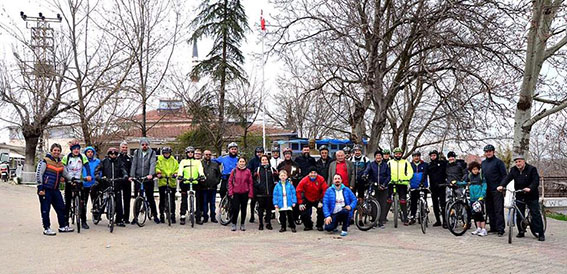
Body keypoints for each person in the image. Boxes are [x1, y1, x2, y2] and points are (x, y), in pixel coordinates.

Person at [497, 155, 545, 241]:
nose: (518, 163)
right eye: (516, 162)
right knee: (519, 213)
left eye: (519, 161)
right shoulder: (513, 170)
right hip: (519, 193)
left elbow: (535, 181)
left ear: (524, 161)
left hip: (531, 194)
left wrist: (530, 188)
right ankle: (521, 231)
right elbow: (507, 178)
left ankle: (540, 233)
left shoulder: (531, 169)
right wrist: (501, 185)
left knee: (535, 213)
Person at [36, 143, 74, 235]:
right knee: (45, 209)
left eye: (58, 151)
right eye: (55, 150)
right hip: (45, 189)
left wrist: (72, 179)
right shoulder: (45, 161)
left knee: (61, 208)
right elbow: (39, 174)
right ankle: (47, 228)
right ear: (51, 151)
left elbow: (65, 173)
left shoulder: (60, 163)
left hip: (55, 189)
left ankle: (63, 226)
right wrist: (40, 187)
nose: (56, 152)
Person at [130, 137, 159, 224]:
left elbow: (153, 163)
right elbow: (134, 164)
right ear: (140, 145)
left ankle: (155, 215)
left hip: (148, 178)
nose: (144, 146)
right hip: (138, 178)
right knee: (137, 198)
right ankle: (135, 217)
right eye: (143, 145)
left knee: (150, 197)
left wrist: (151, 174)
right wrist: (132, 176)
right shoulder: (136, 152)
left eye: (146, 145)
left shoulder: (152, 153)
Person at [62, 140, 91, 227]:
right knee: (67, 202)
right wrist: (62, 177)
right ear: (71, 150)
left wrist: (89, 175)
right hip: (69, 180)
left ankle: (83, 221)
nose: (76, 150)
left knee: (82, 202)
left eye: (78, 149)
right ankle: (66, 221)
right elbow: (62, 168)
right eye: (74, 149)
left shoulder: (82, 157)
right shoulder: (66, 157)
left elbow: (87, 167)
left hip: (79, 180)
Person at [481, 144, 507, 236]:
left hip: (497, 189)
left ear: (493, 152)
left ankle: (500, 229)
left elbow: (504, 175)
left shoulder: (499, 162)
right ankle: (493, 227)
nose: (488, 153)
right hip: (487, 190)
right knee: (489, 209)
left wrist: (502, 186)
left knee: (498, 210)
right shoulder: (483, 163)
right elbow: (481, 175)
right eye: (486, 152)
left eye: (490, 151)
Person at [99, 147, 129, 227]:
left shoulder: (119, 161)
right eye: (111, 154)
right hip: (107, 184)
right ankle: (99, 212)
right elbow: (98, 170)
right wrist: (98, 176)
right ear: (108, 154)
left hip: (117, 184)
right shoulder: (104, 161)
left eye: (115, 154)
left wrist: (125, 175)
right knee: (104, 200)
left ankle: (119, 220)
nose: (113, 155)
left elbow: (123, 170)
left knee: (119, 202)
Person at [362, 150, 390, 228]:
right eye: (377, 155)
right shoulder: (371, 165)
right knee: (373, 204)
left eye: (380, 156)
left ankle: (381, 222)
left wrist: (384, 184)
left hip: (383, 187)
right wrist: (365, 175)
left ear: (382, 157)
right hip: (374, 186)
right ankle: (374, 221)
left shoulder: (385, 165)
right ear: (375, 157)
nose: (378, 157)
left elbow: (389, 176)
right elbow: (367, 171)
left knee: (382, 204)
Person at [178, 146, 205, 225]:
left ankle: (198, 217)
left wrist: (202, 175)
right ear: (186, 153)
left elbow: (200, 169)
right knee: (184, 199)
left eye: (191, 152)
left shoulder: (197, 162)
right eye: (188, 152)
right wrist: (180, 175)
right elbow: (180, 169)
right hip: (185, 181)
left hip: (195, 181)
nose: (190, 154)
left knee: (198, 200)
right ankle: (182, 216)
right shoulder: (183, 161)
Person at [387, 147, 413, 226]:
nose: (398, 155)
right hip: (392, 182)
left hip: (402, 183)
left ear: (401, 154)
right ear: (394, 154)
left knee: (403, 201)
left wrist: (406, 178)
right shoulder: (389, 162)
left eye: (399, 153)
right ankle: (383, 218)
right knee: (388, 200)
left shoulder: (405, 162)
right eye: (396, 153)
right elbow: (386, 171)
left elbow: (410, 172)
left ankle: (405, 219)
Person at [296, 167, 328, 231]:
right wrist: (300, 203)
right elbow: (298, 191)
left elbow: (325, 190)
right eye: (311, 173)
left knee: (322, 210)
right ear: (308, 174)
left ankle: (319, 225)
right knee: (303, 211)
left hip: (318, 198)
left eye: (315, 173)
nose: (313, 174)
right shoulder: (304, 180)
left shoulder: (321, 179)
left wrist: (322, 201)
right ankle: (308, 225)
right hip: (307, 198)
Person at [228, 156, 254, 231]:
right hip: (235, 193)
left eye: (243, 162)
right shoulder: (234, 171)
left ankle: (242, 224)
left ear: (245, 162)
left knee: (244, 209)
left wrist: (250, 193)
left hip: (245, 193)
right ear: (238, 162)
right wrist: (231, 192)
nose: (242, 163)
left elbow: (250, 183)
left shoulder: (248, 171)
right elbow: (230, 182)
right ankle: (234, 223)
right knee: (235, 209)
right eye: (240, 161)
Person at [253, 155, 278, 230]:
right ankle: (261, 223)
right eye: (263, 160)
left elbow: (276, 179)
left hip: (270, 193)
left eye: (266, 160)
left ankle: (268, 223)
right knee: (260, 209)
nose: (264, 161)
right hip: (260, 193)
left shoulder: (272, 169)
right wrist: (258, 186)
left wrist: (273, 187)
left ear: (268, 161)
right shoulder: (257, 170)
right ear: (260, 161)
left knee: (269, 209)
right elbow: (253, 180)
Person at [463, 161, 487, 236]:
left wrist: (482, 196)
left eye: (476, 169)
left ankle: (483, 229)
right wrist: (457, 183)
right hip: (472, 198)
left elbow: (484, 186)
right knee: (475, 214)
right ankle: (478, 228)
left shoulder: (481, 176)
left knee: (480, 213)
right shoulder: (470, 176)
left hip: (479, 198)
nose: (475, 171)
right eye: (473, 169)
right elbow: (464, 182)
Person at [155, 146, 179, 224]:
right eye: (165, 153)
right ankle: (161, 214)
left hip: (171, 181)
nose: (166, 154)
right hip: (163, 181)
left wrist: (175, 173)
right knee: (162, 199)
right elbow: (157, 167)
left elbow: (177, 168)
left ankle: (173, 215)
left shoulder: (174, 160)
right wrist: (158, 173)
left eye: (168, 153)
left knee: (172, 200)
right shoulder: (159, 160)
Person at [82, 146, 101, 229]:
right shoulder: (82, 161)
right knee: (84, 202)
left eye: (91, 152)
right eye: (88, 152)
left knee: (95, 201)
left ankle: (96, 215)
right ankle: (83, 219)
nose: (90, 153)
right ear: (85, 153)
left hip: (94, 183)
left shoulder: (97, 161)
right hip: (85, 183)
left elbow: (100, 171)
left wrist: (98, 178)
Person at [427, 150, 447, 227]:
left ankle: (445, 221)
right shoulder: (429, 165)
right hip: (433, 187)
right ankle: (438, 220)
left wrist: (443, 157)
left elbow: (448, 163)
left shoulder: (442, 163)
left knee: (443, 204)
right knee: (435, 205)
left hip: (441, 186)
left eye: (434, 155)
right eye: (431, 156)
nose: (433, 157)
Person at [201, 149, 221, 223]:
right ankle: (205, 217)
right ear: (204, 155)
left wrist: (217, 181)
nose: (208, 156)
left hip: (213, 187)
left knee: (213, 203)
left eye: (209, 154)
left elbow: (219, 174)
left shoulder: (215, 164)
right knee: (205, 203)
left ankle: (213, 217)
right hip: (204, 187)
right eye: (206, 154)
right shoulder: (200, 163)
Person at [409, 151, 428, 225]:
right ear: (412, 157)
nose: (416, 157)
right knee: (413, 202)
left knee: (424, 201)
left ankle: (424, 216)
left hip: (423, 186)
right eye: (414, 156)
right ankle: (413, 216)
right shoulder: (410, 165)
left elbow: (426, 174)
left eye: (418, 156)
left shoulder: (425, 165)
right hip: (413, 186)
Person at [247, 146, 264, 223]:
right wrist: (253, 174)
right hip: (254, 183)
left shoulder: (265, 160)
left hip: (263, 183)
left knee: (263, 200)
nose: (259, 154)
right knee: (253, 200)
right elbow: (248, 170)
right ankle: (252, 215)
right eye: (258, 152)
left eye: (260, 152)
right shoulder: (252, 161)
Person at [118, 141, 133, 224]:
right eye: (123, 147)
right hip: (119, 181)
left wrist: (131, 176)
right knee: (119, 200)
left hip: (128, 181)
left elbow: (132, 168)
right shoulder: (117, 157)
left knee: (127, 200)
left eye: (126, 147)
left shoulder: (129, 158)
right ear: (120, 148)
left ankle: (126, 218)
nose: (125, 149)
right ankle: (119, 217)